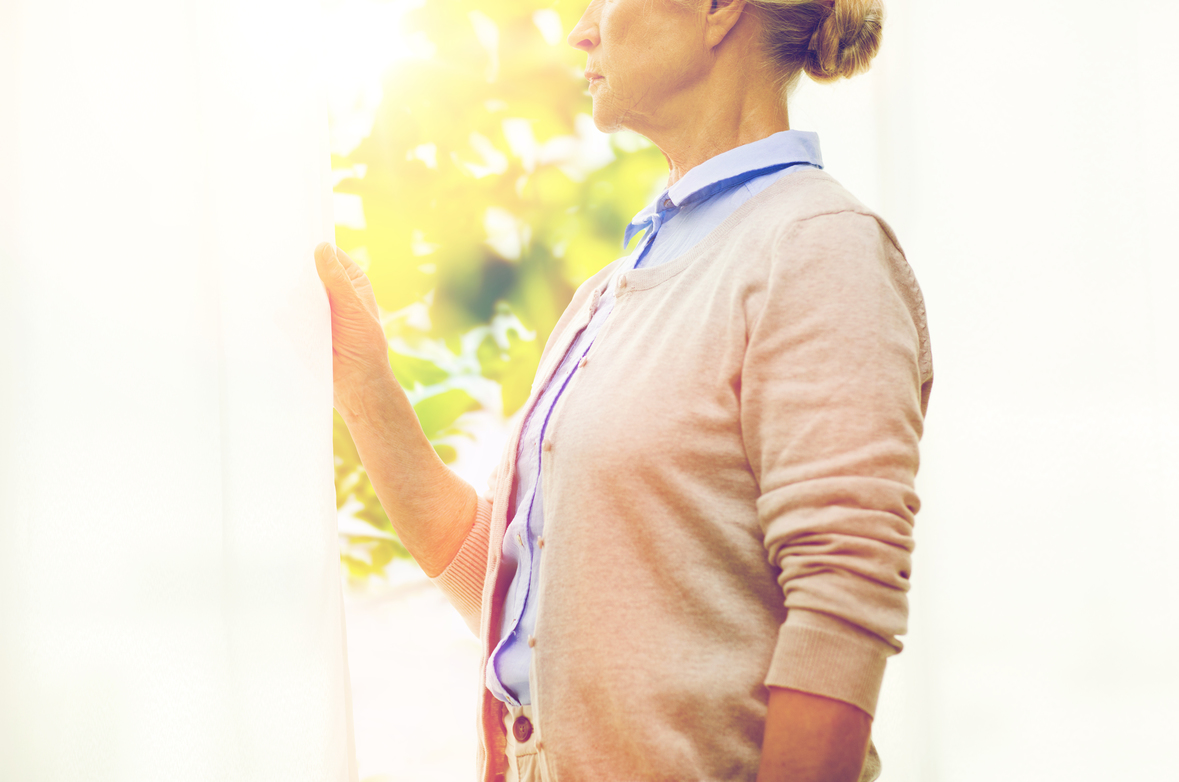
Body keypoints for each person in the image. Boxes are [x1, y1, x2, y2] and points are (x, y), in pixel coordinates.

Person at [314, 0, 932, 779]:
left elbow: (842, 598)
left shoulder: (815, 247)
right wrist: (365, 385)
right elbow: (519, 597)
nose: (579, 30)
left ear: (717, 10)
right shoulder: (607, 294)